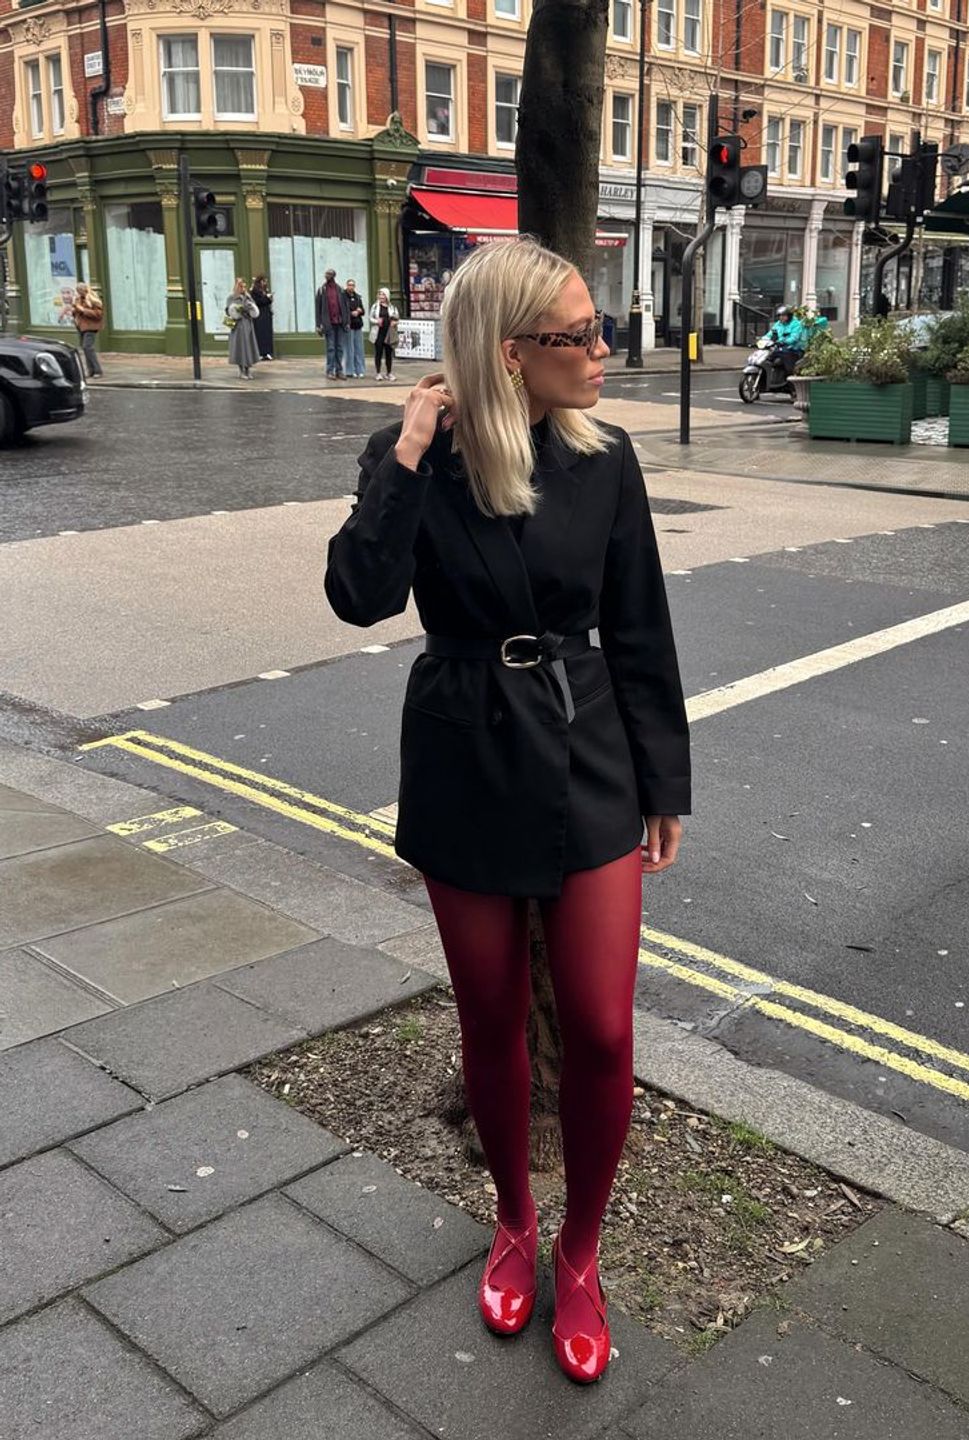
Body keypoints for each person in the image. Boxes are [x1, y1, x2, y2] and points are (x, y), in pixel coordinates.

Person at [325, 238, 690, 1386]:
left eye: (596, 328)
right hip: (464, 750)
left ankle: (580, 1254)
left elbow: (639, 626)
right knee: (488, 1017)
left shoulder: (608, 456)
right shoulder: (414, 459)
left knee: (601, 1024)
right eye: (577, 336)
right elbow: (359, 595)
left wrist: (663, 778)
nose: (602, 350)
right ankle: (516, 1223)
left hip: (587, 752)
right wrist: (407, 457)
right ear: (507, 351)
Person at [315, 268, 348, 380]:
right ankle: (330, 371)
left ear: (334, 275)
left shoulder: (340, 289)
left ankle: (339, 370)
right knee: (331, 348)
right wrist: (318, 324)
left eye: (329, 274)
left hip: (340, 323)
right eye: (326, 274)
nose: (326, 276)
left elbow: (345, 307)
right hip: (328, 323)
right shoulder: (321, 290)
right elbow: (318, 309)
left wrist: (346, 321)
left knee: (339, 348)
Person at [225, 278, 259, 379]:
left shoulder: (248, 297)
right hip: (238, 326)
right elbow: (228, 311)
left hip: (248, 324)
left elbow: (254, 308)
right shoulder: (231, 297)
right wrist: (236, 309)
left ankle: (248, 370)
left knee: (249, 347)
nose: (243, 288)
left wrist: (250, 307)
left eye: (244, 286)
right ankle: (241, 371)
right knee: (240, 348)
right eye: (241, 286)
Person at [766, 304, 807, 381]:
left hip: (794, 349)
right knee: (769, 355)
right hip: (781, 348)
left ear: (789, 316)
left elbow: (794, 338)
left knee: (781, 354)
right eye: (779, 316)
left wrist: (782, 342)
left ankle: (790, 379)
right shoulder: (778, 324)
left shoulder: (796, 324)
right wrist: (762, 340)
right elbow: (770, 334)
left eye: (783, 315)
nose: (781, 317)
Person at [72, 282, 104, 378]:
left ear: (84, 290)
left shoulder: (93, 299)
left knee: (88, 347)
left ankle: (97, 370)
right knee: (85, 348)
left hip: (91, 326)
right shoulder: (78, 299)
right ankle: (90, 370)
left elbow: (98, 314)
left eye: (80, 291)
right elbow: (76, 313)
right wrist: (75, 310)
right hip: (81, 326)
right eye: (78, 291)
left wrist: (83, 310)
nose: (79, 293)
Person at [370, 286, 399, 381]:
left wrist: (395, 322)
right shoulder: (375, 306)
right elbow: (370, 318)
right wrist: (376, 321)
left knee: (388, 354)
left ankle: (389, 373)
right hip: (379, 333)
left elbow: (397, 318)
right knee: (378, 353)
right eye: (380, 294)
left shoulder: (392, 307)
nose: (381, 296)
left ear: (387, 296)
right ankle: (378, 373)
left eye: (383, 294)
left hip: (388, 333)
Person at [343, 279, 366, 378]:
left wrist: (359, 311)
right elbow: (343, 310)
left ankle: (360, 369)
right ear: (346, 286)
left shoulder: (357, 297)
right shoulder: (343, 297)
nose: (351, 287)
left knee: (359, 348)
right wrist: (352, 313)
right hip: (349, 325)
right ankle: (349, 370)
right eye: (349, 285)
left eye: (352, 285)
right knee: (349, 349)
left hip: (358, 325)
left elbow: (363, 310)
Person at [251, 275, 274, 360]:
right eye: (263, 281)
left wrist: (269, 298)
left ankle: (267, 352)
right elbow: (258, 302)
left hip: (266, 315)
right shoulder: (254, 292)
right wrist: (267, 298)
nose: (265, 283)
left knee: (267, 334)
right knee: (260, 334)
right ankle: (260, 352)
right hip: (259, 316)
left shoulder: (264, 291)